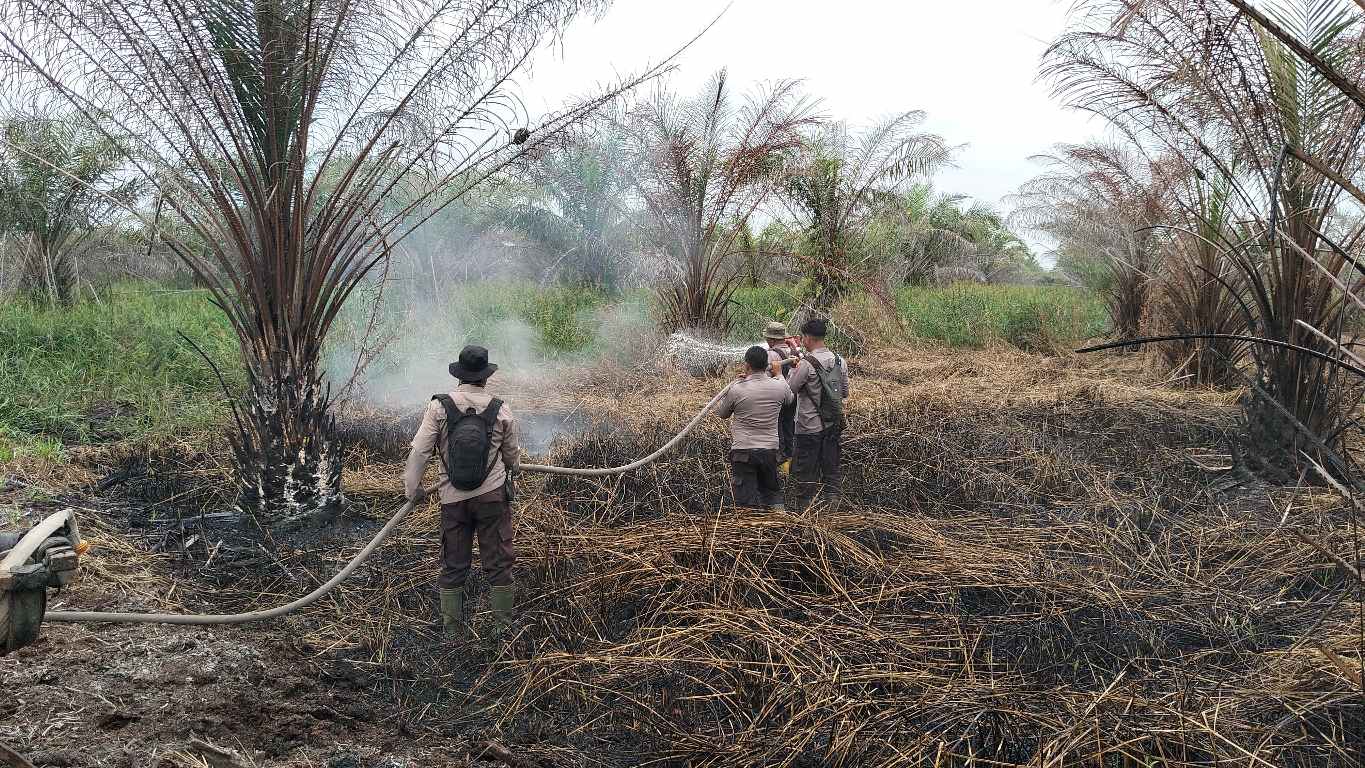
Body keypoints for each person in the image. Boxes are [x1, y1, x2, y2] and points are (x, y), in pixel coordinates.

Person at [403, 345, 519, 640]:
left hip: (453, 501)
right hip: (492, 498)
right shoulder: (500, 408)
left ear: (459, 375)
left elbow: (419, 452)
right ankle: (502, 630)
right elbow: (511, 458)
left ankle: (452, 632)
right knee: (498, 563)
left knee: (453, 564)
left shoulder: (439, 407)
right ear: (485, 377)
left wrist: (412, 489)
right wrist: (513, 468)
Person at [715, 346, 795, 510]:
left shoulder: (737, 389)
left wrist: (739, 383)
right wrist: (779, 374)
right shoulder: (779, 387)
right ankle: (780, 527)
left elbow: (722, 413)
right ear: (766, 364)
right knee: (772, 495)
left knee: (745, 501)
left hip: (743, 453)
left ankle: (749, 532)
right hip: (769, 452)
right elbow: (790, 398)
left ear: (747, 365)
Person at [786, 318, 850, 511]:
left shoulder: (806, 364)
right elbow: (845, 392)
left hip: (808, 429)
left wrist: (791, 371)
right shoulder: (840, 361)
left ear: (807, 338)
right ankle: (832, 512)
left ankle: (806, 517)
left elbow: (791, 390)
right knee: (831, 472)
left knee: (805, 474)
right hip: (832, 427)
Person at [763, 321, 801, 465]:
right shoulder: (794, 352)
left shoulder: (770, 355)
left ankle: (780, 459)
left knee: (777, 426)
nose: (766, 340)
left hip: (776, 396)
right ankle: (790, 460)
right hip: (792, 396)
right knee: (788, 425)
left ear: (772, 340)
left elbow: (763, 378)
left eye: (767, 338)